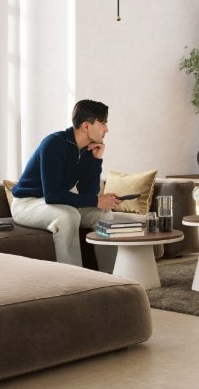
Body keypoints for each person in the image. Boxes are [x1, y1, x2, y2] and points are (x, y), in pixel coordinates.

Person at [11, 99, 121, 266]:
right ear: (86, 126)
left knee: (102, 213)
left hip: (55, 203)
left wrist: (96, 160)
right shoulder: (54, 143)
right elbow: (52, 195)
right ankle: (73, 277)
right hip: (27, 204)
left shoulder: (87, 150)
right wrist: (97, 200)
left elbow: (88, 193)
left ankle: (112, 274)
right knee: (68, 216)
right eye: (103, 123)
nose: (107, 129)